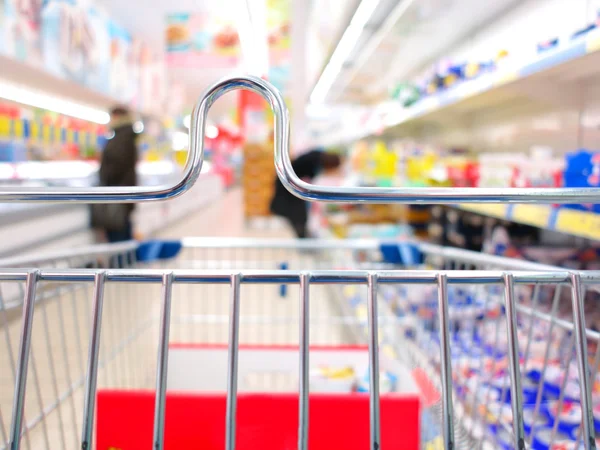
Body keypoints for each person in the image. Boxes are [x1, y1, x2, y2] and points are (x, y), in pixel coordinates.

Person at [270, 149, 342, 238]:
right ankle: (303, 242)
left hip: (286, 194)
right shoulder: (314, 163)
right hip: (288, 197)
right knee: (299, 221)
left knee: (298, 221)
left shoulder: (315, 158)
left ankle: (303, 241)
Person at [94, 106, 138, 242]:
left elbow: (114, 169)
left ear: (117, 117)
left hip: (117, 198)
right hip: (123, 198)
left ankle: (120, 264)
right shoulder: (127, 137)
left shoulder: (120, 139)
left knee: (118, 241)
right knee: (124, 239)